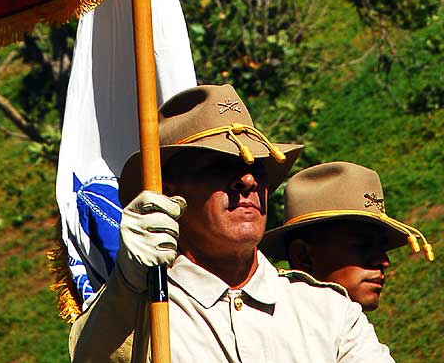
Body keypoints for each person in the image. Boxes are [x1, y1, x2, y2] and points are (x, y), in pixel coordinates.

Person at [69, 84, 394, 362]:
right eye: (220, 166)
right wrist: (128, 281)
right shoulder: (139, 315)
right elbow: (92, 356)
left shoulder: (329, 313)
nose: (248, 181)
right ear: (169, 194)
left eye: (259, 168)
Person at [259, 161, 434, 312]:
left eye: (382, 247)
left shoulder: (356, 336)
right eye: (362, 245)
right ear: (303, 256)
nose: (383, 261)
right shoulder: (274, 337)